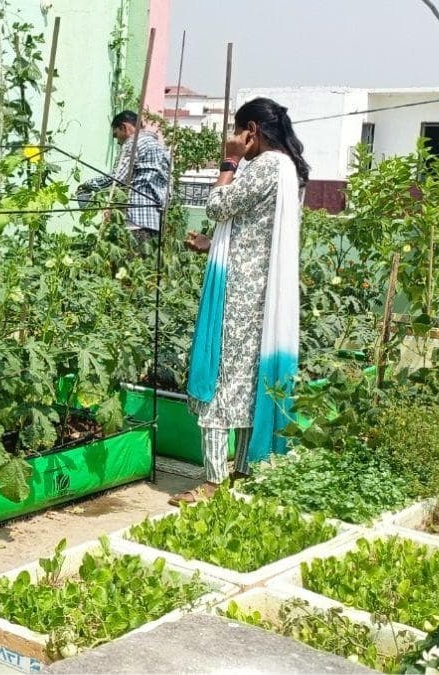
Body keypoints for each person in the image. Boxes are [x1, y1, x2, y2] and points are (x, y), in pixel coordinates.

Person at [170, 98, 309, 505]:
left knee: (218, 376)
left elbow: (217, 205)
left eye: (236, 132)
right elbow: (256, 234)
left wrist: (229, 163)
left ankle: (213, 482)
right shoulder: (290, 171)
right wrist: (214, 245)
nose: (233, 139)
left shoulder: (265, 165)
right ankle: (245, 471)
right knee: (249, 383)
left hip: (238, 294)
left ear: (251, 130)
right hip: (263, 291)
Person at [75, 111, 171, 251]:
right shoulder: (160, 148)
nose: (117, 141)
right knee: (145, 269)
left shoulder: (134, 143)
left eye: (116, 135)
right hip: (155, 222)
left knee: (127, 268)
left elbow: (117, 179)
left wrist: (87, 186)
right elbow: (169, 189)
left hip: (135, 221)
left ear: (124, 127)